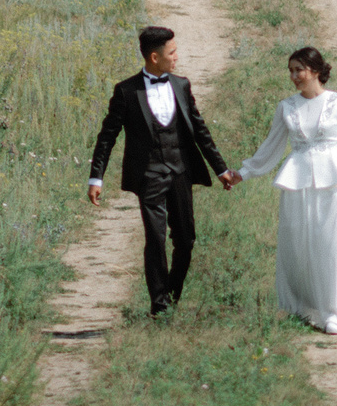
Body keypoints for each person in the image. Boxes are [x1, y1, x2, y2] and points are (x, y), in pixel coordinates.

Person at [224, 45, 337, 333]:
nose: (293, 76)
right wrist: (241, 173)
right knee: (301, 243)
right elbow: (270, 148)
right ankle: (307, 305)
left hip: (335, 181)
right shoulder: (287, 107)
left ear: (315, 71)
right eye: (290, 71)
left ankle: (335, 311)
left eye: (299, 70)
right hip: (298, 181)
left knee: (333, 242)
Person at [86, 24, 231, 316]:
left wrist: (221, 169)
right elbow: (107, 136)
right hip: (149, 174)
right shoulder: (126, 91)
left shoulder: (182, 85)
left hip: (180, 170)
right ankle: (160, 306)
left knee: (186, 240)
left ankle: (171, 294)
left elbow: (200, 131)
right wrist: (96, 176)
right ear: (154, 57)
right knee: (155, 239)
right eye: (172, 52)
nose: (176, 57)